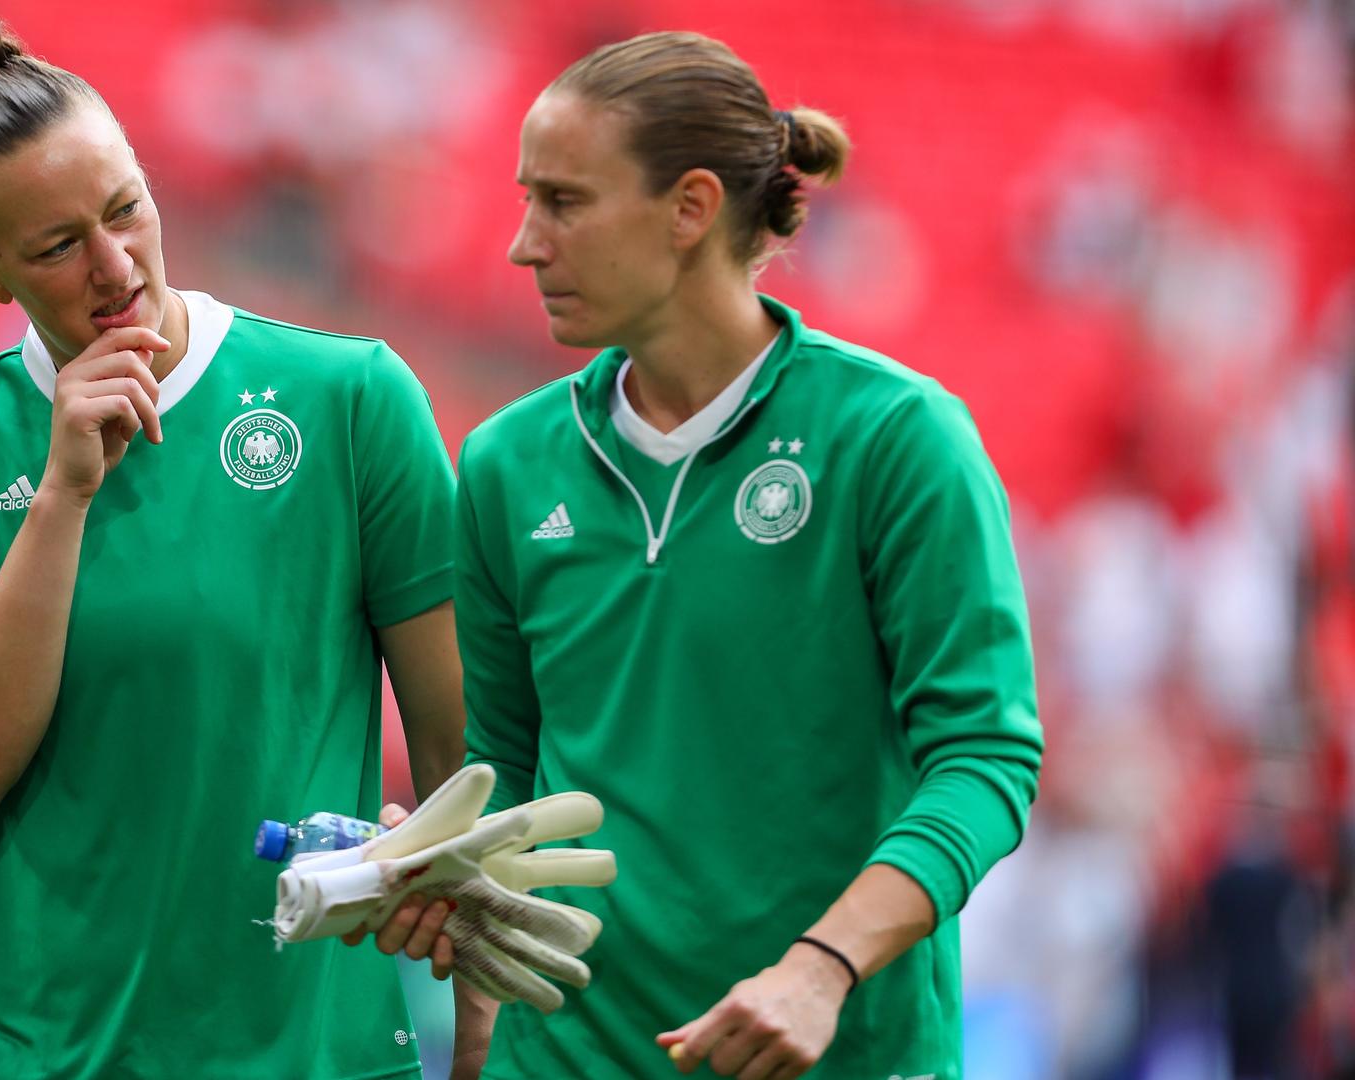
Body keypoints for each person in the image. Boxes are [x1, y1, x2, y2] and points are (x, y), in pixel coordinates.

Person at [379, 30, 1045, 1079]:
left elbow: (985, 758)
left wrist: (822, 967)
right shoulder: (507, 464)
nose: (521, 243)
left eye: (563, 202)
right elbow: (500, 782)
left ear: (689, 209)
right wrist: (441, 896)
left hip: (840, 1053)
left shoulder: (896, 437)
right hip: (567, 1060)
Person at [0, 18, 466, 1079]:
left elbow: (468, 756)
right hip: (18, 1055)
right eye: (57, 247)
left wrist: (484, 1037)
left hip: (309, 1055)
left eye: (124, 209)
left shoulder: (353, 402)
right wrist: (61, 496)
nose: (114, 267)